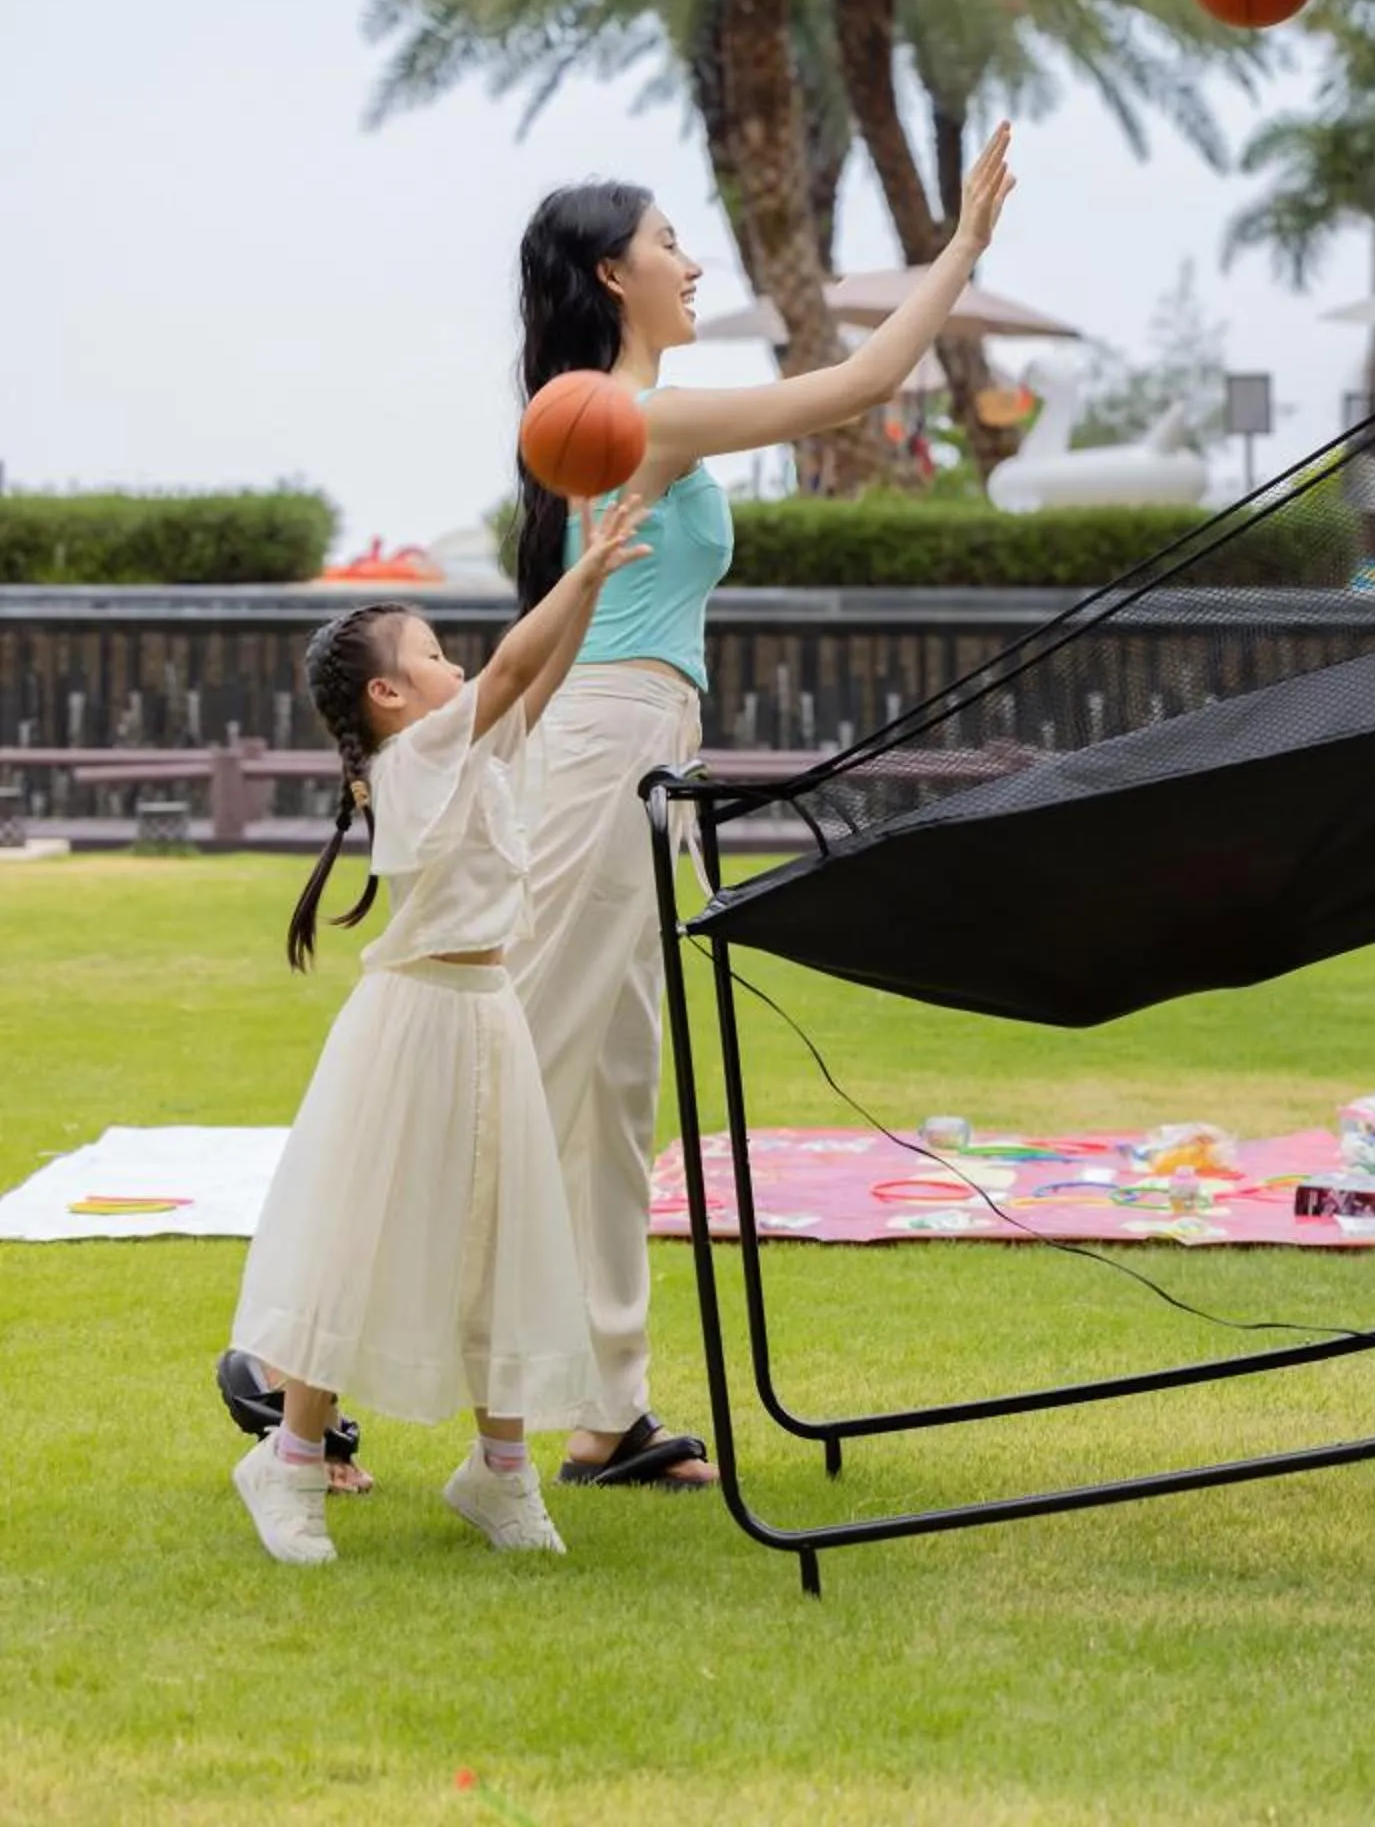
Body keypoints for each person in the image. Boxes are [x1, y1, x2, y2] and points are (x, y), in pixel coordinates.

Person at [501, 121, 1021, 1489]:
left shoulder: (615, 415)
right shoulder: (640, 418)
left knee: (612, 1089)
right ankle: (303, 1360)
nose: (693, 259)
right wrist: (960, 250)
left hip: (633, 753)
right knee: (525, 1068)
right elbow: (852, 385)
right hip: (604, 753)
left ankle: (605, 1412)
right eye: (670, 242)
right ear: (612, 278)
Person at [227, 485, 659, 1564]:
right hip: (414, 1024)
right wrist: (586, 568)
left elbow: (533, 682)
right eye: (429, 653)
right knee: (359, 1235)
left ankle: (500, 1471)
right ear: (388, 694)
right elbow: (512, 668)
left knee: (500, 1234)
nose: (453, 662)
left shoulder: (463, 752)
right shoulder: (413, 758)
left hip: (487, 1016)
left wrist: (590, 594)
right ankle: (289, 1462)